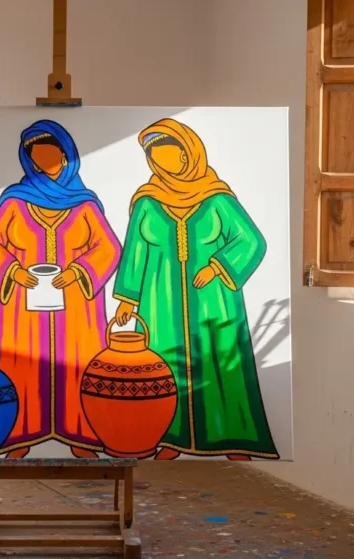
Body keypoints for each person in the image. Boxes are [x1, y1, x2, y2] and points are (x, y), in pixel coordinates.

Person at [112, 118, 279, 461]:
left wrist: (218, 265)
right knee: (163, 368)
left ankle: (233, 438)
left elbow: (252, 241)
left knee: (222, 366)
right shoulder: (147, 202)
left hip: (215, 302)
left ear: (188, 154)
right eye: (157, 157)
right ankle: (170, 439)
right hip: (160, 303)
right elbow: (135, 253)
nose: (165, 162)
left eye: (171, 154)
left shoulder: (217, 199)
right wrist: (127, 300)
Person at [0, 119, 120, 459]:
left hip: (76, 308)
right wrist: (13, 272)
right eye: (37, 155)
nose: (45, 160)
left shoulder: (84, 205)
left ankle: (81, 435)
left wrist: (78, 271)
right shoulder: (15, 203)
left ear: (65, 154)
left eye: (51, 152)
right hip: (22, 310)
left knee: (78, 365)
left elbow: (109, 248)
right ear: (29, 160)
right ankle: (19, 434)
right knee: (20, 367)